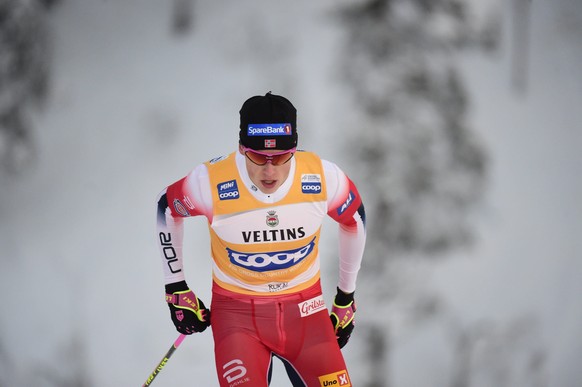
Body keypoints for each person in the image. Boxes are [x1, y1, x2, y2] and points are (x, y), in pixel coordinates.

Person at [156, 92, 366, 386]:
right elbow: (167, 208)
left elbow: (354, 221)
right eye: (258, 156)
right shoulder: (210, 182)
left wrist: (346, 298)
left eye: (280, 157)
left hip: (306, 314)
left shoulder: (322, 177)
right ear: (241, 149)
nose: (270, 171)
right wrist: (176, 289)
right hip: (236, 317)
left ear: (294, 148)